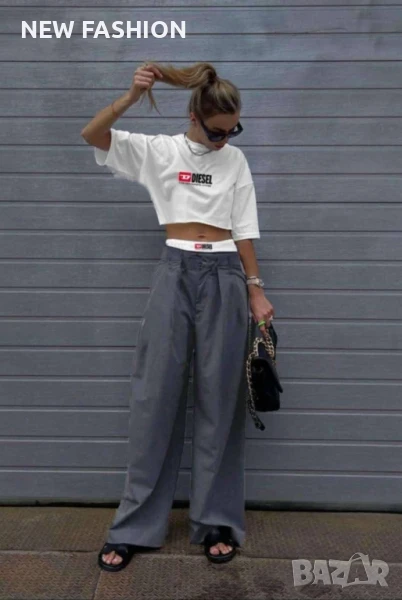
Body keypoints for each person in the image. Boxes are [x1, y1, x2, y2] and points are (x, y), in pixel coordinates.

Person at [81, 60, 274, 572]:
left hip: (225, 274)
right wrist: (130, 97)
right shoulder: (160, 152)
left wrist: (256, 289)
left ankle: (216, 522)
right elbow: (92, 135)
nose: (224, 140)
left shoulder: (235, 160)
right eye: (216, 131)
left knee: (220, 400)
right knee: (155, 397)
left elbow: (243, 226)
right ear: (194, 116)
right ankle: (135, 527)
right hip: (175, 270)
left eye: (232, 131)